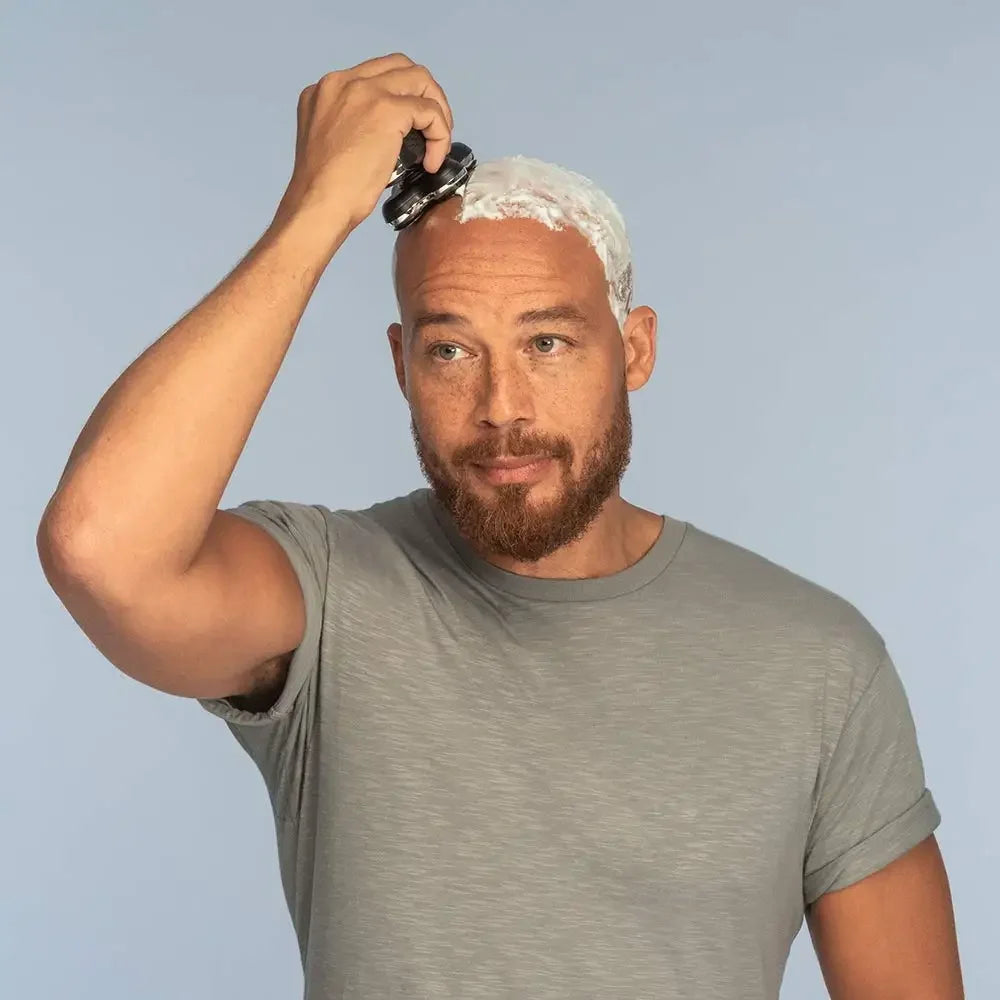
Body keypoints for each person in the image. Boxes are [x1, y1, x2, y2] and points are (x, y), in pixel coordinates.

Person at [36, 52, 964, 1000]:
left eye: (547, 342)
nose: (500, 406)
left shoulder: (817, 663)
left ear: (633, 348)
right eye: (450, 350)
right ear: (401, 365)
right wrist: (315, 214)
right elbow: (102, 549)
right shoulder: (326, 601)